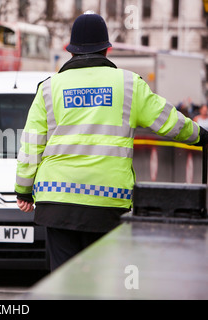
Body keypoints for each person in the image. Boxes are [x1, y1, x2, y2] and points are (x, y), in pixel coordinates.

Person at [15, 12, 208, 272]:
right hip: (107, 203)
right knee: (105, 281)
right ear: (107, 48)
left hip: (56, 201)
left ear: (69, 50)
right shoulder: (128, 85)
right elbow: (168, 121)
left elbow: (31, 144)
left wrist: (24, 190)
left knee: (63, 282)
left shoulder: (49, 88)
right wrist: (200, 136)